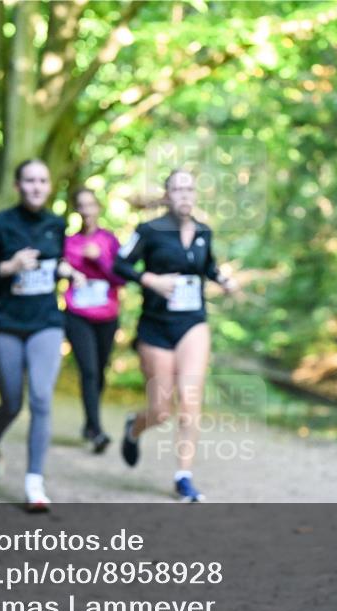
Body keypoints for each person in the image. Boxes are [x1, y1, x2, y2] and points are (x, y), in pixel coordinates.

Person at [113, 169, 238, 502]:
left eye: (189, 189)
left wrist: (223, 280)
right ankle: (135, 427)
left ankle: (183, 476)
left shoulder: (203, 232)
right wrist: (149, 280)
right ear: (167, 196)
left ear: (195, 195)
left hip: (192, 323)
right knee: (161, 411)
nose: (184, 195)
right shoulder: (149, 231)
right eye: (177, 189)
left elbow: (207, 267)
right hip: (156, 327)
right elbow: (119, 264)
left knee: (191, 398)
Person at [0, 159, 85, 512]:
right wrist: (9, 266)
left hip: (45, 321)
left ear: (49, 186)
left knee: (41, 398)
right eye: (29, 181)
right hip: (2, 323)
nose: (36, 187)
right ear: (18, 185)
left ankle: (35, 482)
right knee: (13, 402)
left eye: (42, 181)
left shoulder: (56, 224)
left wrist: (67, 270)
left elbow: (55, 262)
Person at [63, 188, 126, 453]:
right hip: (77, 315)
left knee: (99, 372)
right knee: (88, 370)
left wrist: (99, 259)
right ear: (76, 210)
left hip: (107, 315)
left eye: (91, 204)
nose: (87, 210)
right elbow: (58, 270)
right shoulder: (67, 242)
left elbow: (122, 278)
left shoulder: (110, 241)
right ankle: (97, 431)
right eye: (81, 205)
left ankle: (90, 423)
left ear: (98, 208)